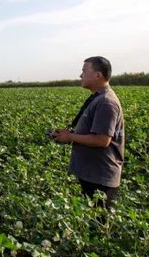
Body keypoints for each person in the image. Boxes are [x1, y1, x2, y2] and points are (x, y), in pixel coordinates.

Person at [52, 56, 125, 209]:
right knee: (91, 221)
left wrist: (70, 137)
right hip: (92, 175)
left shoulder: (106, 102)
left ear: (98, 75)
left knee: (99, 223)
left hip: (100, 178)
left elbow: (102, 140)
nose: (80, 75)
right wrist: (69, 133)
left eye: (84, 71)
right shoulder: (97, 98)